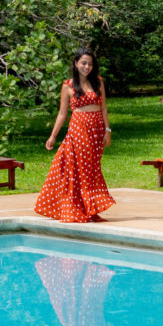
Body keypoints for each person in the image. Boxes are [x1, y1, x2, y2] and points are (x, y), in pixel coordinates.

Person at [34, 48, 114, 222]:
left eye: (90, 64)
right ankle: (79, 209)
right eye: (83, 63)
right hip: (79, 131)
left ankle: (91, 209)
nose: (87, 67)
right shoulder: (68, 86)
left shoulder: (98, 82)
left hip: (96, 130)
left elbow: (104, 108)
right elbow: (62, 113)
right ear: (76, 63)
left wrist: (107, 130)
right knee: (80, 170)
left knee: (92, 170)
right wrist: (53, 136)